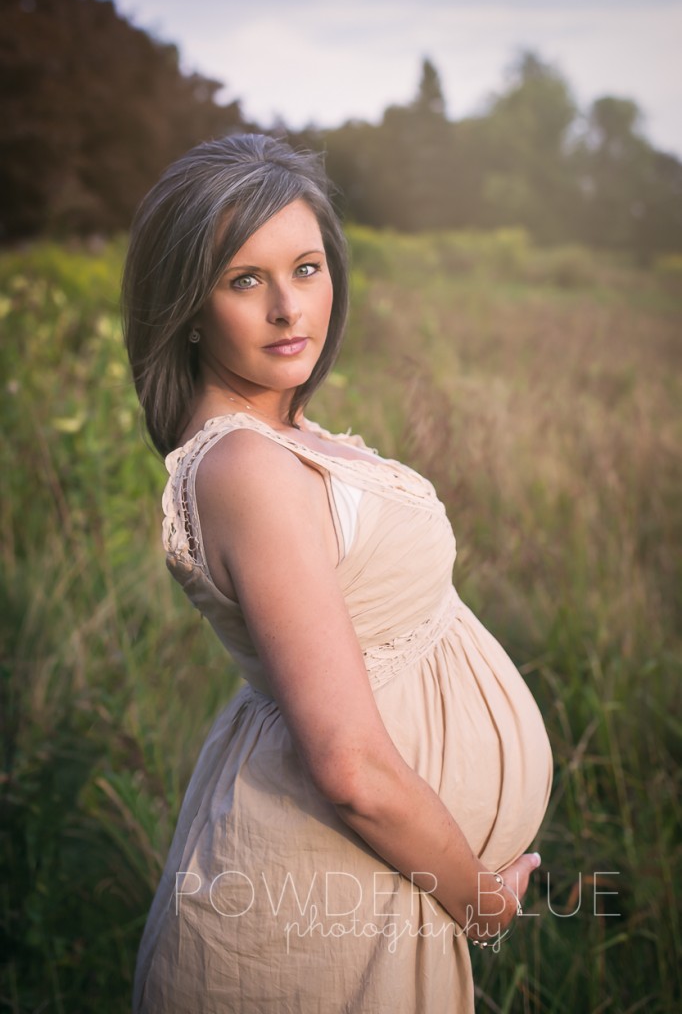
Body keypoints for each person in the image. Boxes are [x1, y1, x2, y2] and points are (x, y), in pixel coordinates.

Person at [122, 133, 553, 1014]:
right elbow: (351, 767)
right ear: (189, 306)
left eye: (307, 268)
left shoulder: (282, 439)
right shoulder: (245, 467)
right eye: (245, 280)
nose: (290, 308)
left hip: (371, 895)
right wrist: (481, 906)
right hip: (313, 914)